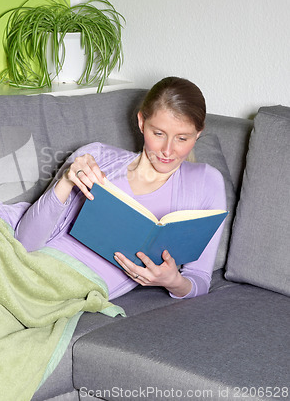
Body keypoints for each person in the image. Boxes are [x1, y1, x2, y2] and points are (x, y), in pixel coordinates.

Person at [15, 76, 226, 300]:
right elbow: (24, 243)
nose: (167, 150)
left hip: (74, 289)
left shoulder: (206, 183)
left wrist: (173, 282)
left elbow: (199, 279)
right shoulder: (96, 157)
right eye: (158, 134)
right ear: (142, 123)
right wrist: (66, 181)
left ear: (198, 134)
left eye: (182, 138)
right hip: (33, 264)